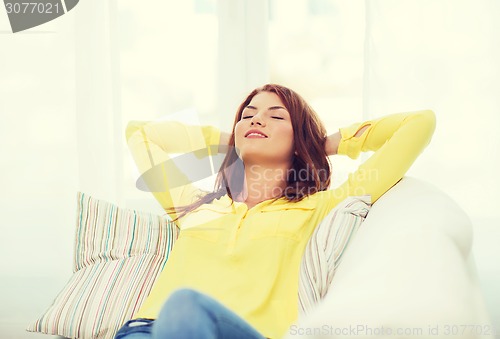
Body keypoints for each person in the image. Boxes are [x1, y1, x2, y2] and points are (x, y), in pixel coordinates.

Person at [115, 84, 436, 339]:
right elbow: (138, 133)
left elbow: (418, 124)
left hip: (249, 333)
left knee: (185, 305)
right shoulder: (194, 205)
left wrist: (322, 142)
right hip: (147, 330)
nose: (256, 120)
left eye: (277, 117)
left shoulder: (322, 206)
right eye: (248, 115)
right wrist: (230, 139)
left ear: (299, 140)